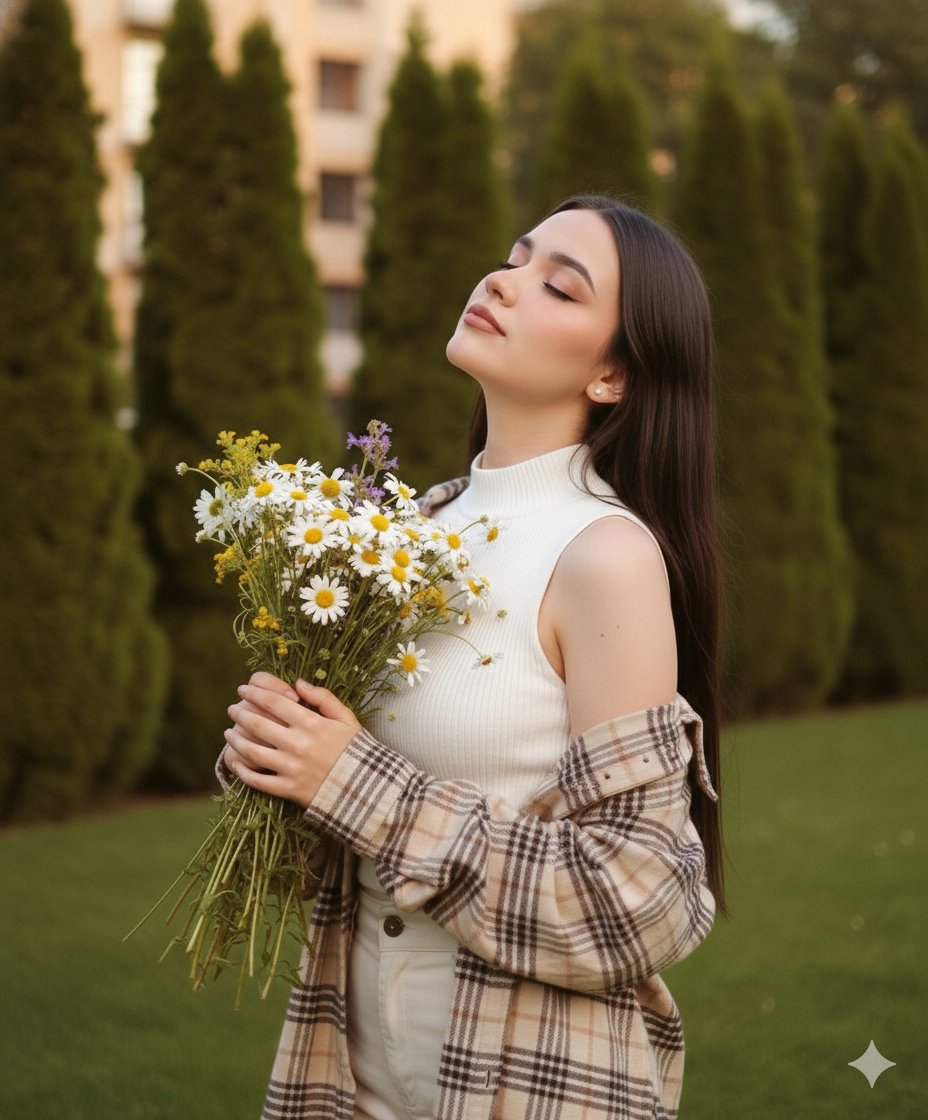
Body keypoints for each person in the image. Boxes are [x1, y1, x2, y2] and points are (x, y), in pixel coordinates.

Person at [221, 193, 725, 1120]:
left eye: (560, 288)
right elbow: (338, 814)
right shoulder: (414, 528)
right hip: (346, 1070)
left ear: (613, 375)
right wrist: (277, 756)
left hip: (528, 1077)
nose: (503, 281)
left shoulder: (604, 557)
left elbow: (636, 900)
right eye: (514, 257)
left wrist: (353, 783)